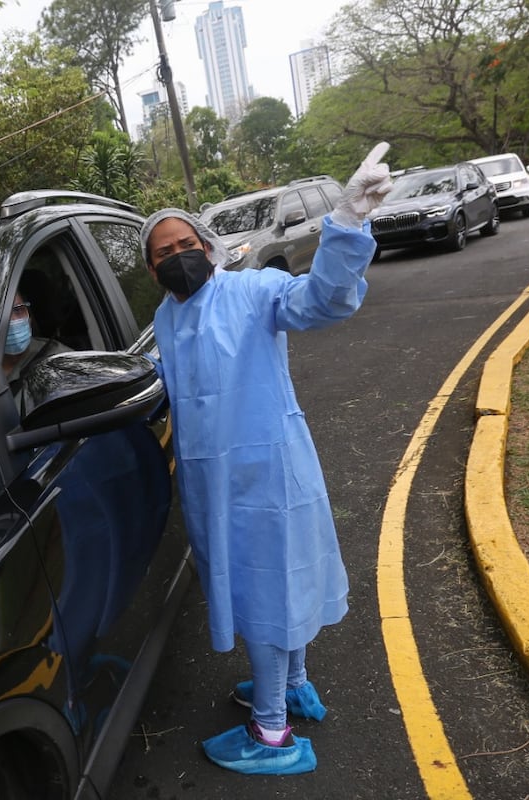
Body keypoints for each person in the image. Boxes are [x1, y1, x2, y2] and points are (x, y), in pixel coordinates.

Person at [141, 143, 393, 776]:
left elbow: (323, 303)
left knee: (266, 590)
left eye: (184, 244)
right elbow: (168, 377)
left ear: (209, 244)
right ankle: (295, 682)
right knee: (272, 584)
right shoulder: (166, 317)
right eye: (162, 253)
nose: (177, 258)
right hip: (212, 481)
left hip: (269, 475)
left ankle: (273, 732)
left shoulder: (255, 290)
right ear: (151, 270)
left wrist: (347, 225)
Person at [2, 290, 70, 392]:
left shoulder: (58, 360)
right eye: (2, 315)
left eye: (18, 310)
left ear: (29, 316)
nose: (13, 320)